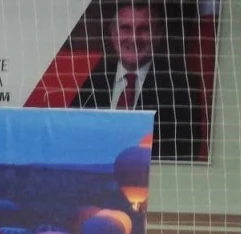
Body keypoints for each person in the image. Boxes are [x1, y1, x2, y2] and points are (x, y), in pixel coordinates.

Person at [73, 1, 198, 161]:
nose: (134, 38)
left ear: (159, 33)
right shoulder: (90, 79)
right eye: (125, 28)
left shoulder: (181, 86)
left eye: (144, 29)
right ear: (112, 32)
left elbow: (183, 154)